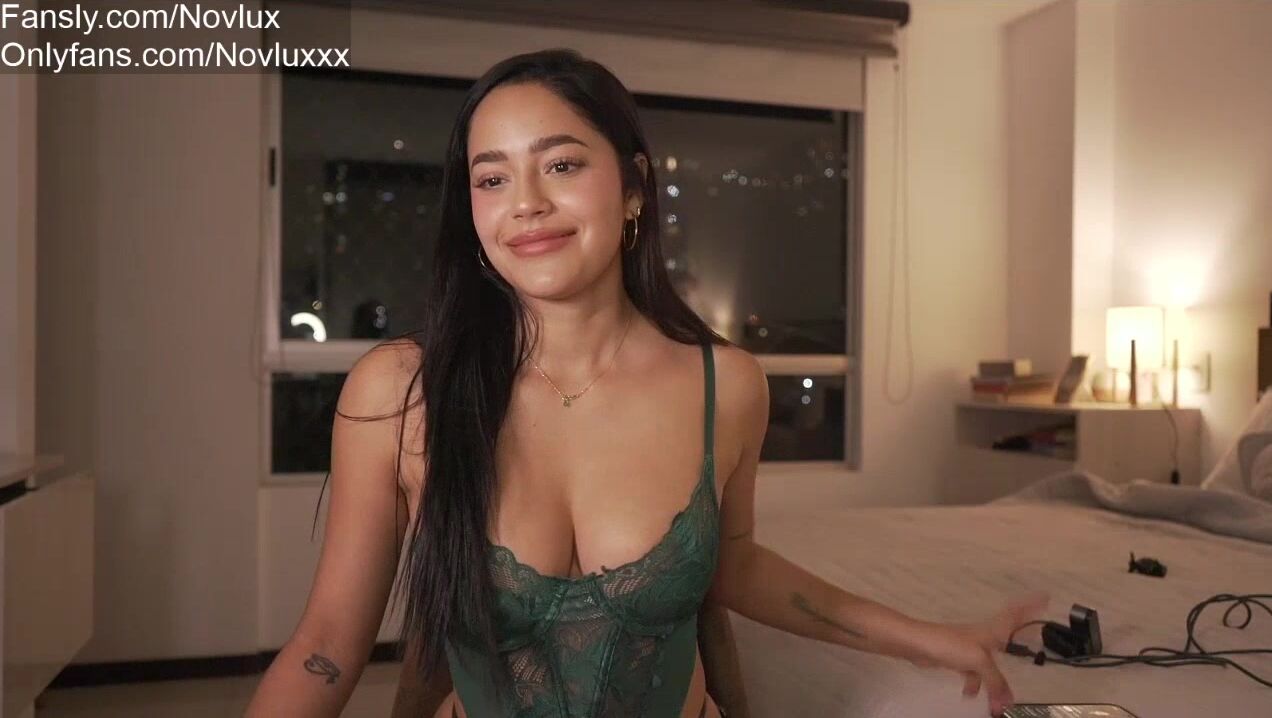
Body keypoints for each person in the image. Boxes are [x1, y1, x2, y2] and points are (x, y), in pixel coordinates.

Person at [245, 48, 1046, 718]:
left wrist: (929, 638)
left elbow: (735, 567)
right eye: (492, 179)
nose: (526, 204)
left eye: (561, 165)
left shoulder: (725, 384)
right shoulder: (400, 391)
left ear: (632, 188)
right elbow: (326, 646)